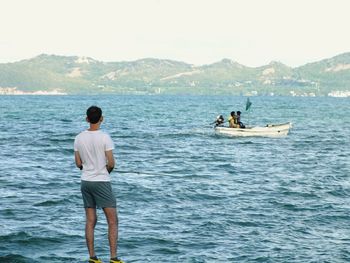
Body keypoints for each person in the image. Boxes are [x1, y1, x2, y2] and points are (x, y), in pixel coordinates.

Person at [74, 106, 123, 263]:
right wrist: (105, 171)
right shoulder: (105, 137)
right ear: (101, 118)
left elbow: (78, 163)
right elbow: (111, 162)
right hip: (101, 182)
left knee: (90, 220)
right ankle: (114, 258)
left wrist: (87, 168)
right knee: (113, 220)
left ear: (87, 119)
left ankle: (93, 257)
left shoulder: (78, 138)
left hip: (86, 182)